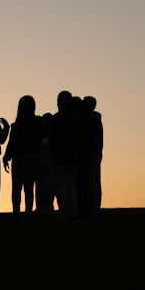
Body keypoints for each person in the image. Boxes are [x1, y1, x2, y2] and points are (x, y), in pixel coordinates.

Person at [3, 95, 43, 214]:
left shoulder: (16, 125)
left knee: (16, 188)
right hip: (33, 157)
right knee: (29, 188)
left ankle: (16, 213)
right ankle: (28, 213)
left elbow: (12, 143)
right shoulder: (39, 122)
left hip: (19, 158)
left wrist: (6, 157)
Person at [49, 91, 82, 220]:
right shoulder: (77, 117)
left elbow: (53, 138)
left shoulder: (57, 118)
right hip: (72, 155)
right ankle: (73, 212)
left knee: (61, 186)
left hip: (60, 156)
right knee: (71, 186)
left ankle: (63, 212)